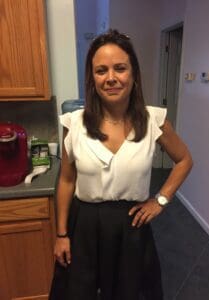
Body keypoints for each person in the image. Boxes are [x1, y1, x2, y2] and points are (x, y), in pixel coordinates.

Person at [49, 29, 193, 300]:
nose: (111, 78)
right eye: (101, 70)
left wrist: (160, 201)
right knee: (79, 292)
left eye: (120, 68)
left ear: (134, 74)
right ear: (92, 78)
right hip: (85, 224)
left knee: (130, 292)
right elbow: (67, 180)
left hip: (131, 225)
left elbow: (184, 159)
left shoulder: (154, 120)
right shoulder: (74, 124)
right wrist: (61, 234)